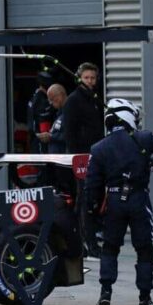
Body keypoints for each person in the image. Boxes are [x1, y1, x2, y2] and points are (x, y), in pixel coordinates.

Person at [85, 99, 153, 305]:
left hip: (114, 201)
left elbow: (92, 186)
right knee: (144, 249)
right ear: (127, 117)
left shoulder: (98, 148)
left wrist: (93, 212)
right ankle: (145, 299)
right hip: (138, 199)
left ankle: (105, 293)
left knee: (110, 248)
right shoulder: (144, 138)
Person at [63, 62, 104, 258]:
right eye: (86, 77)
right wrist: (76, 159)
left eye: (93, 78)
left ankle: (83, 240)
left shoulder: (94, 99)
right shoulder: (73, 100)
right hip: (81, 157)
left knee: (90, 199)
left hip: (95, 155)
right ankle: (88, 243)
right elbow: (69, 133)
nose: (90, 81)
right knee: (84, 200)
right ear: (79, 78)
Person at [27, 72, 55, 153]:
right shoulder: (42, 100)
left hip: (34, 138)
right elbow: (44, 127)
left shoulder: (34, 96)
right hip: (41, 141)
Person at [36, 84, 68, 154]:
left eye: (51, 99)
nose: (50, 103)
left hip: (64, 157)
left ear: (59, 96)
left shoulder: (70, 112)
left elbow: (71, 135)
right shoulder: (59, 114)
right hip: (56, 157)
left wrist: (51, 136)